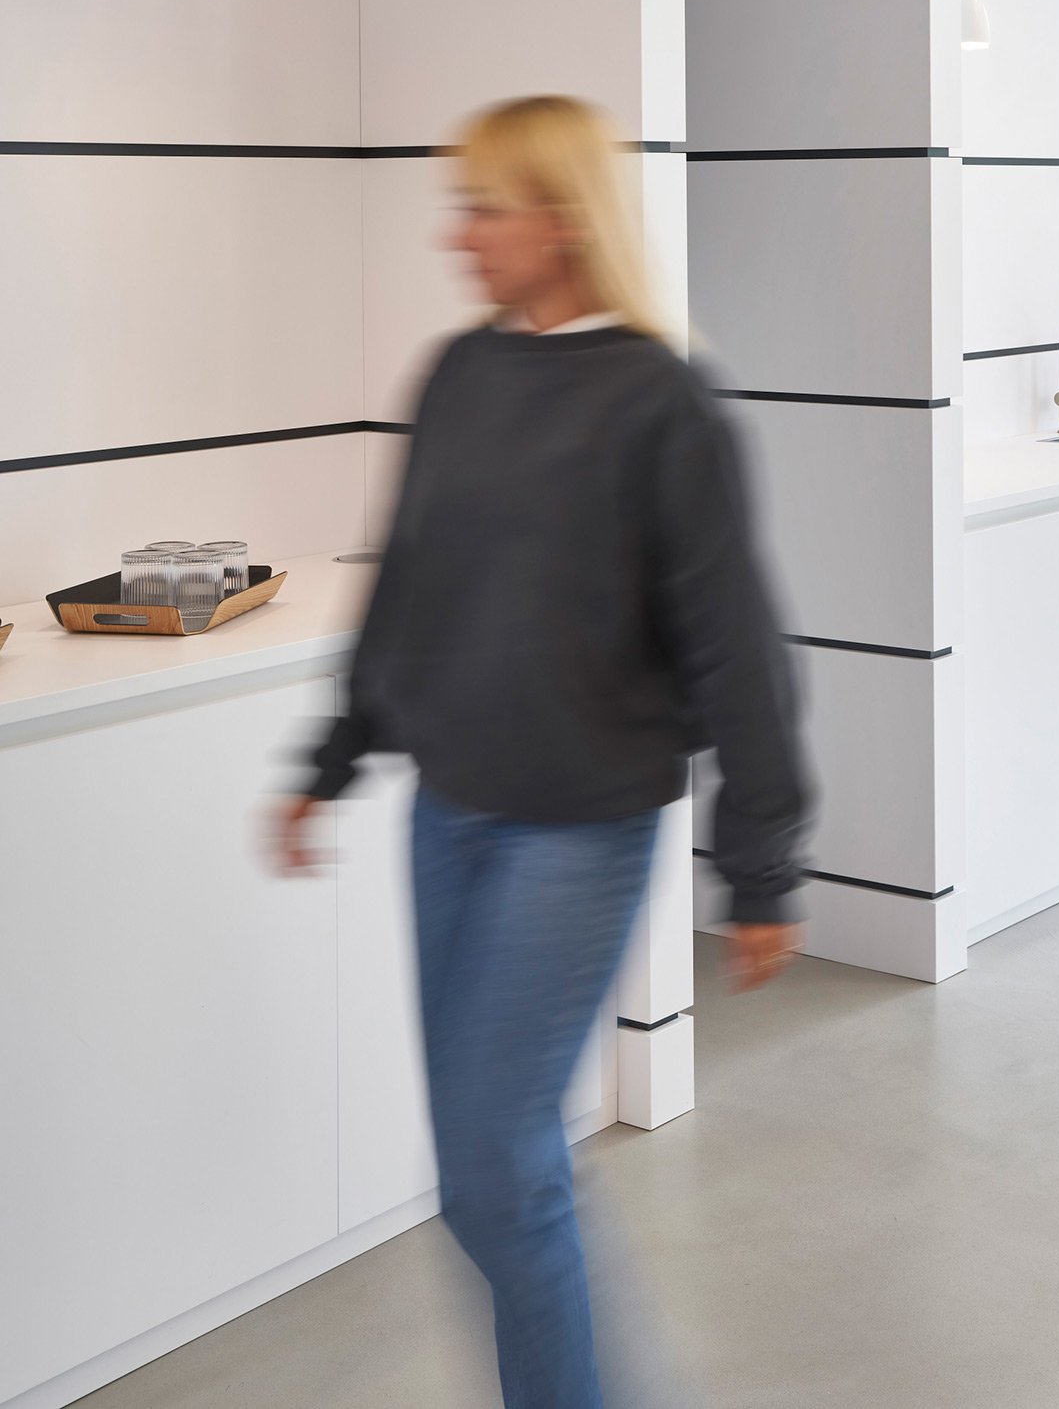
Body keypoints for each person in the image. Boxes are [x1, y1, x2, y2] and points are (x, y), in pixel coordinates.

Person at [271, 95, 810, 1409]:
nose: (457, 236)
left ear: (564, 220)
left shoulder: (662, 401)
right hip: (447, 814)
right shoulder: (459, 373)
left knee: (500, 1165)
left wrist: (761, 863)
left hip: (578, 828)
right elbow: (408, 585)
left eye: (484, 208)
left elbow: (737, 642)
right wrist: (332, 758)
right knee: (484, 1170)